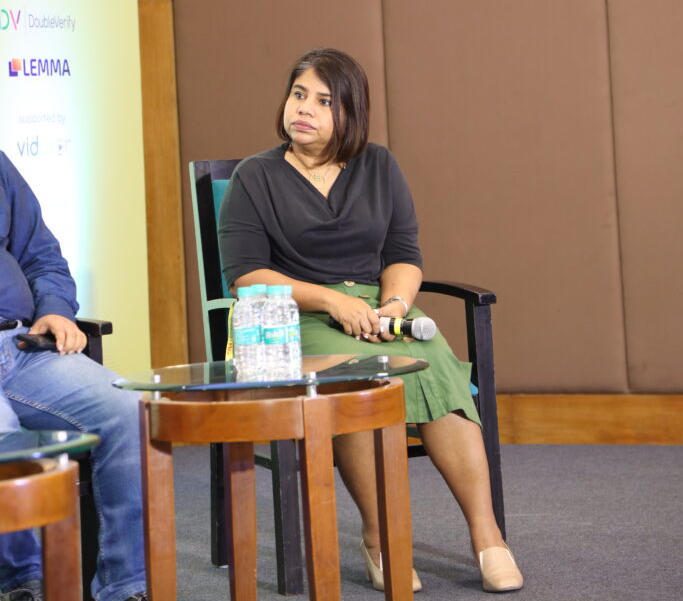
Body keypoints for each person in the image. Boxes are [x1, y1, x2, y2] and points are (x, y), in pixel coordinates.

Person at [218, 47, 524, 594]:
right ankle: (381, 537)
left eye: (323, 101)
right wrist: (330, 302)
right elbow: (245, 276)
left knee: (436, 366)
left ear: (350, 113)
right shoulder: (254, 176)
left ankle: (488, 537)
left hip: (379, 311)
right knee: (360, 379)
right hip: (292, 318)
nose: (303, 109)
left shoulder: (379, 165)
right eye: (298, 94)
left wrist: (395, 307)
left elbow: (404, 254)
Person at [0, 151, 147, 601]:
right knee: (4, 432)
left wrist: (55, 310)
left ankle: (126, 585)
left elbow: (41, 256)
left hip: (21, 345)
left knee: (130, 408)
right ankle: (21, 582)